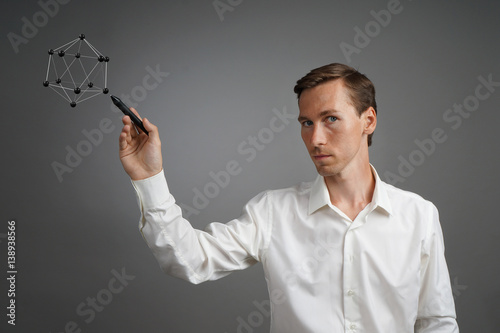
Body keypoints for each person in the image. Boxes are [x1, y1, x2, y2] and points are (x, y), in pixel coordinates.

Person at [118, 63, 459, 332]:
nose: (316, 138)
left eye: (331, 119)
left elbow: (437, 322)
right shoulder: (272, 212)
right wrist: (149, 178)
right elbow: (189, 260)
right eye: (306, 123)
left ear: (367, 120)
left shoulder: (418, 215)